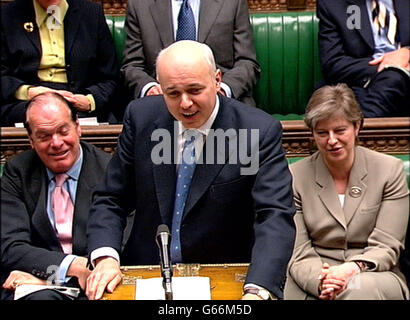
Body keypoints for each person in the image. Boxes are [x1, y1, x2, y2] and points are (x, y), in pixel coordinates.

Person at [86, 40, 296, 300]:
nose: (185, 103)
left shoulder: (255, 133)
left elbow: (273, 215)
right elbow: (112, 198)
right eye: (173, 93)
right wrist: (106, 256)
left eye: (194, 90)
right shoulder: (141, 119)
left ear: (217, 80)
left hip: (223, 277)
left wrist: (258, 290)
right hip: (147, 273)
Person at [284, 83, 409, 300]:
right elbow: (299, 252)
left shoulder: (389, 170)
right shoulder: (294, 177)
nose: (332, 140)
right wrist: (324, 281)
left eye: (340, 130)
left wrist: (350, 269)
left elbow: (387, 246)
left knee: (358, 290)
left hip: (371, 272)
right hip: (313, 276)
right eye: (322, 133)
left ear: (357, 126)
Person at [1, 92, 111, 300]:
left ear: (78, 127)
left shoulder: (109, 170)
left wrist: (54, 279)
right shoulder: (17, 172)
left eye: (63, 131)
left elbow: (119, 247)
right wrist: (71, 268)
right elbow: (11, 247)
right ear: (31, 140)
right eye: (44, 136)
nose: (57, 142)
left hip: (97, 282)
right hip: (35, 288)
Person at [0, 0, 119, 126]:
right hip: (25, 104)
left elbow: (110, 77)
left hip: (79, 101)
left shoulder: (91, 13)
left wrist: (90, 101)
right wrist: (29, 92)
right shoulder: (7, 15)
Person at [121, 0, 260, 107]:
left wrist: (221, 90)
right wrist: (150, 88)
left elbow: (247, 63)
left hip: (221, 102)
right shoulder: (139, 5)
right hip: (163, 103)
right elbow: (132, 66)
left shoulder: (232, 3)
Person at [317, 0, 409, 117]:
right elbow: (333, 63)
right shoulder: (333, 4)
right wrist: (388, 67)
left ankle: (361, 130)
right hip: (363, 84)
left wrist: (407, 53)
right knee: (392, 79)